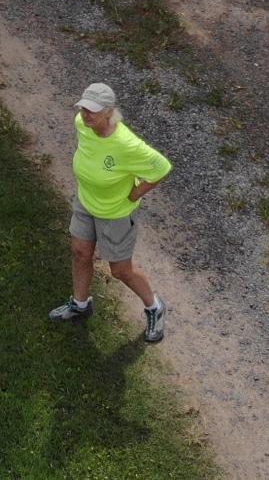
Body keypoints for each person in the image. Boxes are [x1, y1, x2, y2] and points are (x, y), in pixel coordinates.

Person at [49, 82, 172, 342]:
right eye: (83, 108)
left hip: (115, 214)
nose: (86, 114)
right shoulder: (82, 125)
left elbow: (161, 167)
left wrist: (136, 192)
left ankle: (155, 307)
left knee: (120, 271)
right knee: (80, 252)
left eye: (93, 111)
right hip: (86, 203)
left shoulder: (127, 145)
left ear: (109, 111)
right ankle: (80, 304)